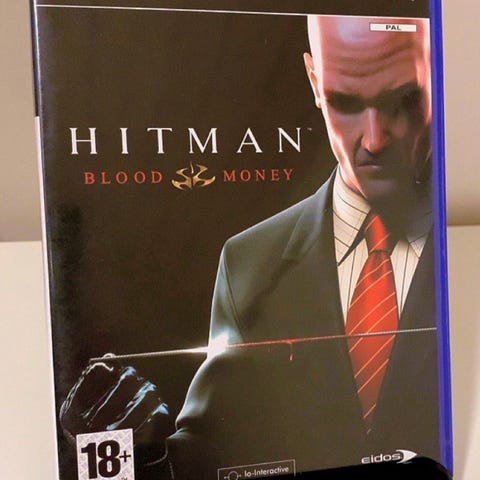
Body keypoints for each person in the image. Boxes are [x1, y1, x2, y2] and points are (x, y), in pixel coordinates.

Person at [62, 15, 440, 480]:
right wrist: (121, 451)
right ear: (314, 81)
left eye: (403, 100)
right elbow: (212, 448)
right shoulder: (248, 262)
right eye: (344, 101)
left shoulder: (453, 253)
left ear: (437, 74)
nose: (375, 140)